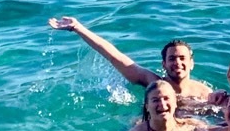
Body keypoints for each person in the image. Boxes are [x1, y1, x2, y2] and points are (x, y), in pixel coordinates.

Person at [49, 15, 212, 102]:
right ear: (164, 64)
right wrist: (78, 28)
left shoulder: (205, 93)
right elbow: (114, 56)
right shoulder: (151, 81)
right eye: (172, 58)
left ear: (191, 63)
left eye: (182, 58)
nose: (177, 62)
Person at [126, 80, 210, 131]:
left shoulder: (192, 126)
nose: (162, 104)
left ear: (175, 103)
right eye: (155, 100)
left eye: (166, 98)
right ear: (147, 106)